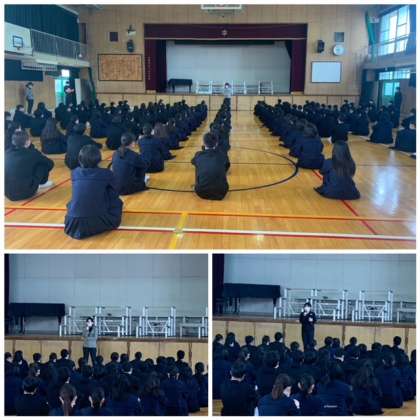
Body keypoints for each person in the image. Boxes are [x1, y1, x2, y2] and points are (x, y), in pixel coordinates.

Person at [64, 144, 123, 240]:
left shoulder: (74, 172)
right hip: (97, 221)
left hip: (72, 224)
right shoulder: (106, 173)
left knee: (74, 201)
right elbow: (116, 191)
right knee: (117, 201)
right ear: (98, 159)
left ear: (80, 159)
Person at [5, 130, 54, 201]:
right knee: (42, 165)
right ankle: (42, 183)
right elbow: (50, 164)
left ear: (13, 142)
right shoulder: (32, 153)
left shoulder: (6, 153)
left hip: (8, 194)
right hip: (27, 193)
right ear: (28, 142)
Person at [191, 132, 229, 200]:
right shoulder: (222, 154)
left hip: (201, 192)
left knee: (198, 165)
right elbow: (227, 166)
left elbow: (193, 161)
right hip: (221, 192)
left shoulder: (198, 154)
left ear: (204, 143)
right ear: (216, 143)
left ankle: (200, 184)